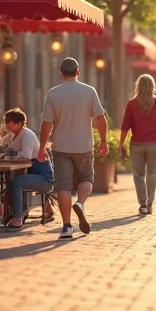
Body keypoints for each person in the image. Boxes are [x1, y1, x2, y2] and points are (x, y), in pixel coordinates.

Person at [38, 57, 109, 239]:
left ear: (61, 73)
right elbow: (100, 119)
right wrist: (103, 141)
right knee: (86, 178)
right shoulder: (89, 91)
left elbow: (47, 123)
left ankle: (67, 227)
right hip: (83, 145)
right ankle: (81, 203)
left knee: (63, 186)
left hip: (61, 146)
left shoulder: (53, 94)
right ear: (78, 72)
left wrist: (41, 147)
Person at [118, 74, 156, 215]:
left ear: (138, 86)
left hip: (136, 144)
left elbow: (125, 126)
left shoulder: (131, 104)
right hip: (154, 144)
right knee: (152, 173)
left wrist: (121, 144)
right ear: (153, 86)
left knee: (138, 175)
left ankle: (142, 204)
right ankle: (150, 202)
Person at [2, 109, 55, 230]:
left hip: (43, 178)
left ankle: (18, 217)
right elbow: (0, 144)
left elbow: (25, 156)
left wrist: (9, 155)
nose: (6, 124)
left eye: (9, 122)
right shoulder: (12, 134)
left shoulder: (27, 135)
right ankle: (18, 213)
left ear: (19, 123)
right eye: (6, 121)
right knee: (12, 182)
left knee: (17, 183)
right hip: (29, 174)